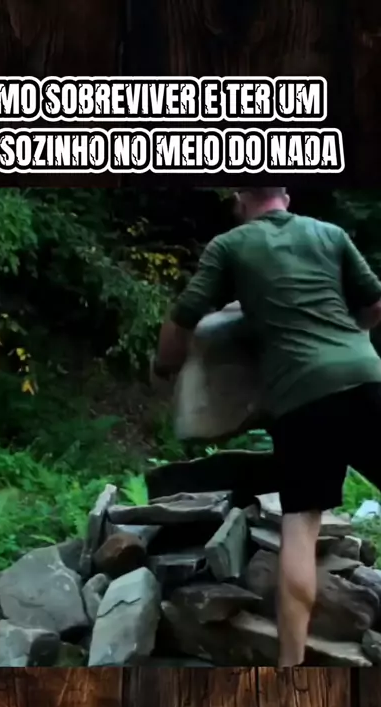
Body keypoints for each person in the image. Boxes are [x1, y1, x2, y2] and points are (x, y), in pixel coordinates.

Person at [151, 187, 381, 667]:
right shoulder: (329, 233)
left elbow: (184, 318)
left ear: (240, 199)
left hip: (301, 397)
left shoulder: (230, 246)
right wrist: (348, 334)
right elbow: (374, 304)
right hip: (366, 377)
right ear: (286, 195)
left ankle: (291, 668)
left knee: (301, 525)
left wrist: (164, 366)